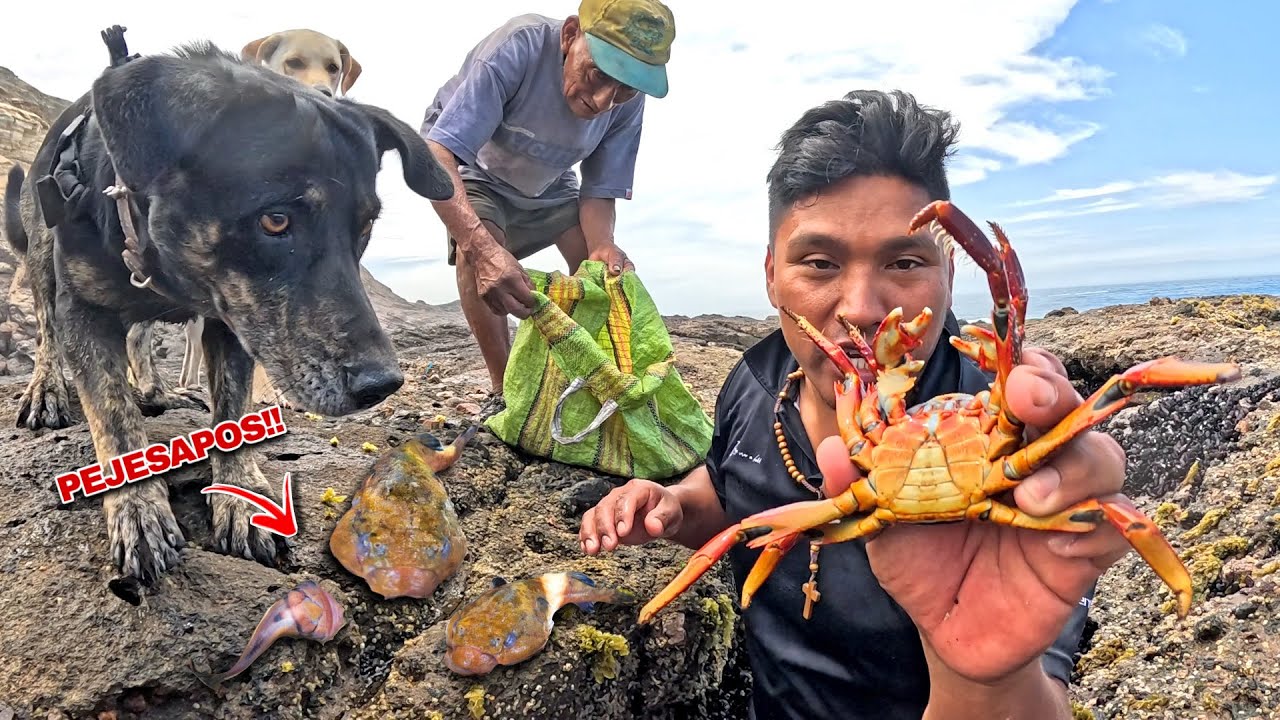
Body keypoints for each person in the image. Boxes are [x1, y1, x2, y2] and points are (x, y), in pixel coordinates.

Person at [579, 90, 1136, 719]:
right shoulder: (761, 374)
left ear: (951, 270)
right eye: (819, 264)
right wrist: (677, 507)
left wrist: (988, 687)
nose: (861, 309)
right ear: (771, 274)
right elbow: (730, 481)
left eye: (904, 261)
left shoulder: (1007, 429)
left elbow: (1042, 705)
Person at [420, 0, 676, 403]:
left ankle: (588, 377)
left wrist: (603, 244)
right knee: (480, 254)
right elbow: (437, 153)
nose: (604, 101)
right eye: (597, 74)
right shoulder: (516, 47)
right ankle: (506, 393)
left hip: (551, 181)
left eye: (625, 88)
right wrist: (485, 249)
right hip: (478, 168)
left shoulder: (627, 102)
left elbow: (599, 189)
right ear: (570, 35)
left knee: (598, 272)